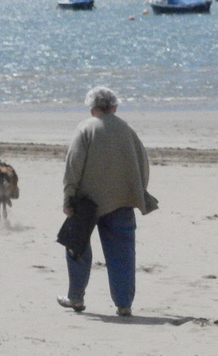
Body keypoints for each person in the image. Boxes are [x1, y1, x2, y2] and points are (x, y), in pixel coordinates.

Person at [57, 86, 152, 317]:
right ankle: (124, 303)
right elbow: (143, 165)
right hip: (122, 200)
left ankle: (76, 297)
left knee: (76, 246)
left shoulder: (85, 129)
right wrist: (139, 192)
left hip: (87, 202)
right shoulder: (127, 130)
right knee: (123, 254)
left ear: (93, 109)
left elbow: (73, 167)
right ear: (114, 107)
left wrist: (68, 196)